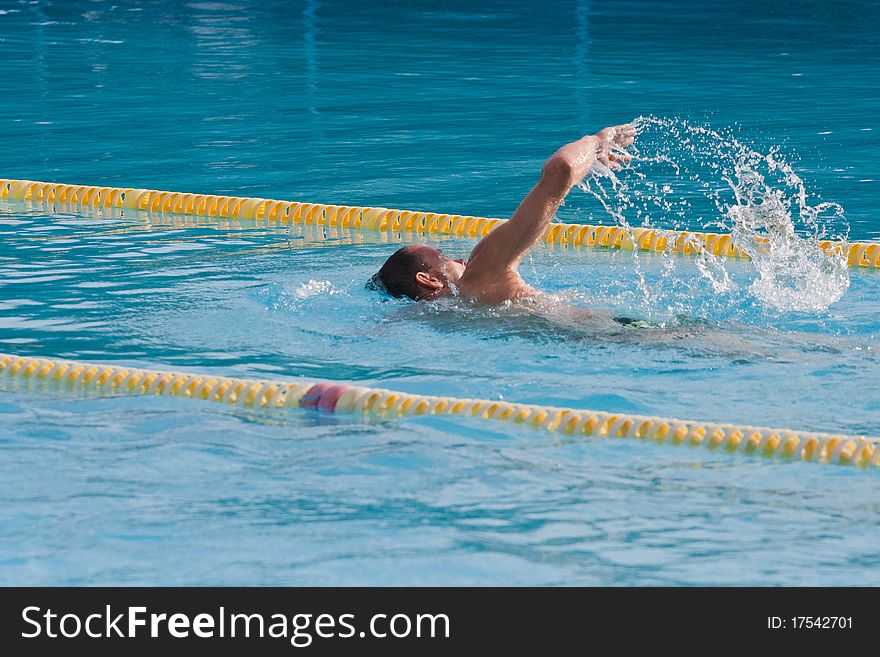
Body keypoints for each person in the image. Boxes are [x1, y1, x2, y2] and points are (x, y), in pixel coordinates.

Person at [368, 124, 636, 305]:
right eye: (443, 257)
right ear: (428, 280)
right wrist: (597, 141)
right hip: (621, 334)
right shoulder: (481, 270)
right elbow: (561, 168)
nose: (460, 258)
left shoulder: (426, 318)